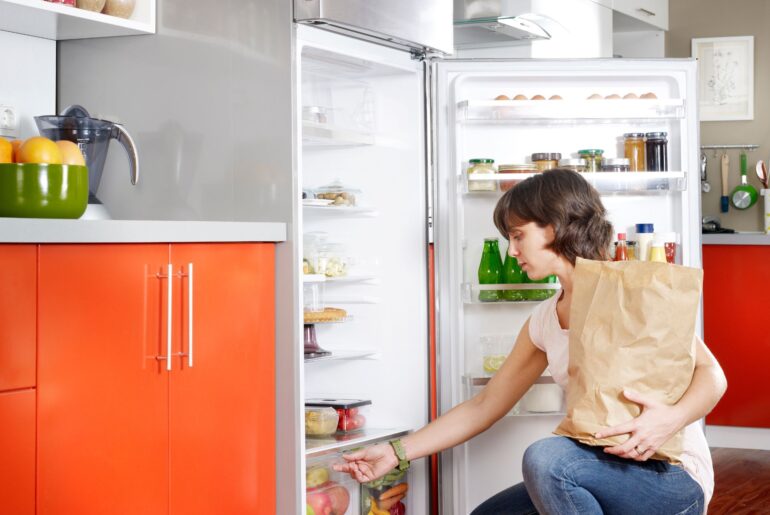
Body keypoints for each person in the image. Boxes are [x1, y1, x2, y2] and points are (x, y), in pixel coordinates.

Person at [334, 169, 727, 515]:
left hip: (669, 478)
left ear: (554, 227)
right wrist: (395, 452)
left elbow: (712, 375)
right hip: (597, 471)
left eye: (519, 235)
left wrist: (669, 420)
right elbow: (485, 405)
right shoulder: (544, 320)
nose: (512, 250)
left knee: (547, 458)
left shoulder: (630, 291)